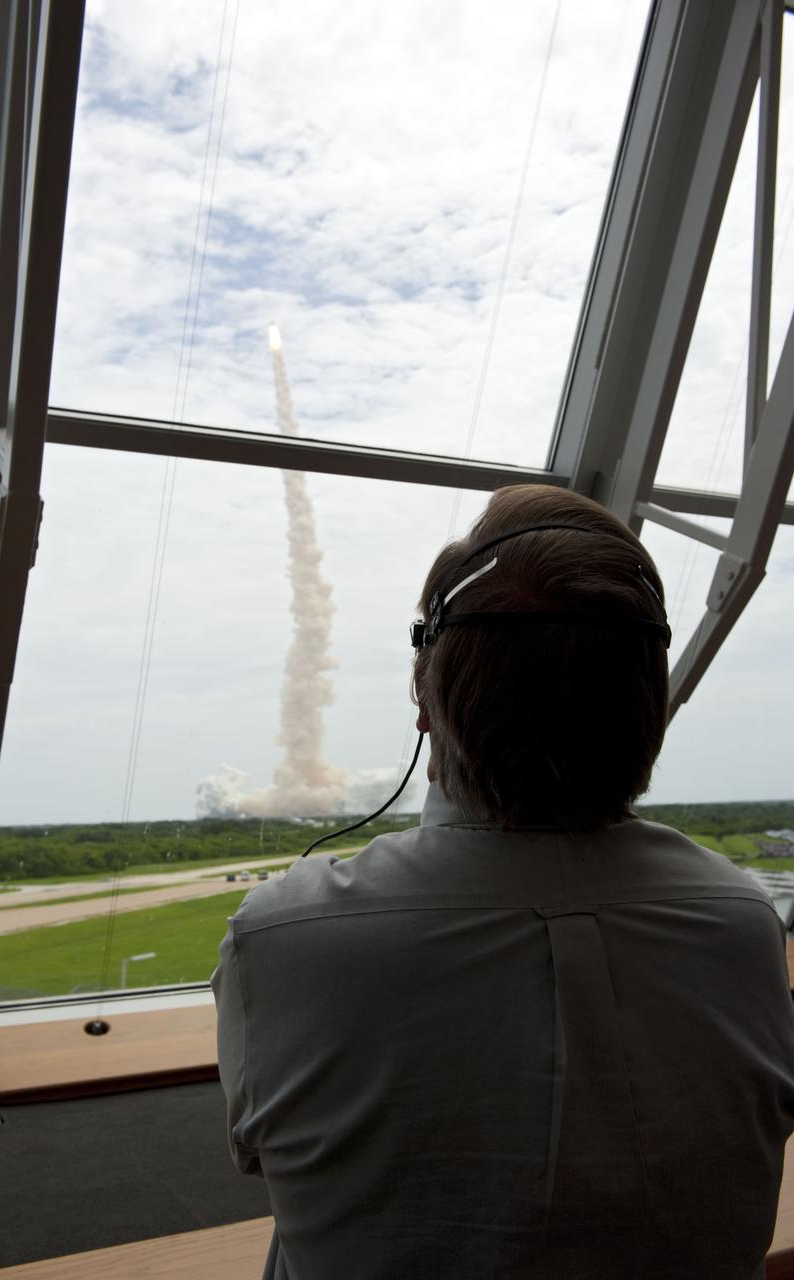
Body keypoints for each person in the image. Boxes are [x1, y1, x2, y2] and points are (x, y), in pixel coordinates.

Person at [211, 483, 794, 1279]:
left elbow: (263, 1157)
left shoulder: (282, 937)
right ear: (649, 705)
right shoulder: (741, 920)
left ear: (425, 691)